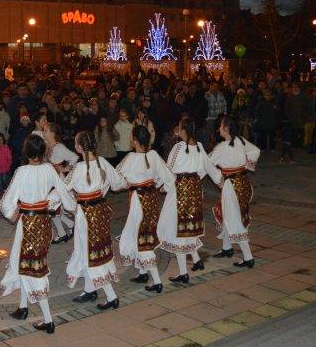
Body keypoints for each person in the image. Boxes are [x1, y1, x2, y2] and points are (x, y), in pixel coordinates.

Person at [0, 134, 70, 334]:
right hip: (44, 224)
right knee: (24, 263)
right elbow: (62, 191)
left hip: (28, 223)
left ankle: (48, 320)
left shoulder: (22, 171)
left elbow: (8, 200)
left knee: (33, 268)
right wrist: (50, 202)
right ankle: (23, 307)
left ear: (27, 152)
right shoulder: (49, 169)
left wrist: (10, 212)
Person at [63, 131, 126, 309]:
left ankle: (112, 297)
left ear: (79, 148)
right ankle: (90, 290)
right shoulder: (103, 162)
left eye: (75, 144)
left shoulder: (78, 169)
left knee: (91, 251)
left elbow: (62, 189)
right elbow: (118, 183)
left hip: (85, 214)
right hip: (100, 211)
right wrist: (103, 189)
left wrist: (65, 204)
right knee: (92, 250)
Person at [116, 125, 175, 293]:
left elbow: (117, 179)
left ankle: (157, 281)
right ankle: (142, 272)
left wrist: (124, 183)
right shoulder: (154, 155)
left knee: (141, 238)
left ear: (134, 140)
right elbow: (169, 177)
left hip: (138, 201)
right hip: (150, 198)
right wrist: (160, 187)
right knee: (142, 233)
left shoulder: (130, 158)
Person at [159, 119, 214, 284]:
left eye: (179, 130)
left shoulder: (178, 147)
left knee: (174, 228)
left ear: (183, 131)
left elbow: (169, 170)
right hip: (194, 190)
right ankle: (196, 260)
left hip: (179, 191)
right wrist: (198, 180)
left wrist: (163, 186)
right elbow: (206, 167)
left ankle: (183, 273)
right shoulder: (199, 147)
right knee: (187, 227)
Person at [208, 116, 260, 269]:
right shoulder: (241, 141)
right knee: (227, 213)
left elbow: (207, 164)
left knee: (234, 219)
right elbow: (256, 150)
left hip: (231, 186)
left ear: (227, 129)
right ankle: (227, 248)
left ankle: (248, 257)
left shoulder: (221, 147)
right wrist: (246, 166)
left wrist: (219, 179)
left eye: (221, 126)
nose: (219, 129)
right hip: (243, 183)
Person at [44, 122, 78, 244]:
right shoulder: (46, 146)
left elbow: (74, 157)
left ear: (52, 133)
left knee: (52, 207)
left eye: (46, 130)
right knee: (52, 207)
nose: (44, 132)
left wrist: (64, 169)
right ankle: (69, 225)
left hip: (57, 180)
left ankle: (63, 232)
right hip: (48, 180)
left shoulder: (59, 147)